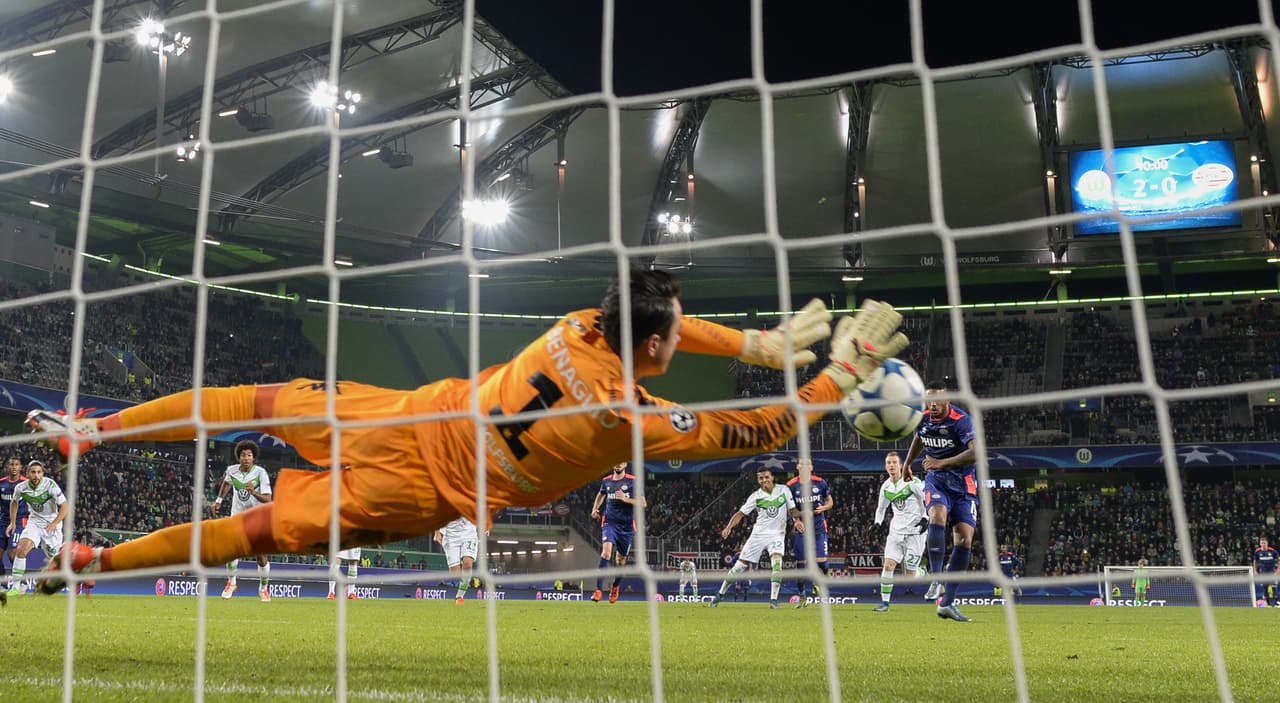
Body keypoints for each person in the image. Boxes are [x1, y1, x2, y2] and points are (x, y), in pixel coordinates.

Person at [27, 270, 908, 594]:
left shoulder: (576, 325)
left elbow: (645, 314)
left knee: (247, 401)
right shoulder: (626, 418)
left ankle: (91, 432)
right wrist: (840, 370)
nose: (688, 338)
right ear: (651, 346)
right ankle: (95, 563)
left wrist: (753, 339)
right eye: (679, 336)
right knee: (255, 533)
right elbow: (757, 428)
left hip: (408, 411)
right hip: (425, 490)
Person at [903, 379, 978, 622]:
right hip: (936, 480)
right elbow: (919, 438)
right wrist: (907, 463)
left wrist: (941, 462)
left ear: (948, 400)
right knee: (937, 515)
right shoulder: (923, 419)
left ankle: (947, 604)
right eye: (929, 400)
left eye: (937, 400)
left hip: (963, 483)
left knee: (965, 540)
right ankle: (936, 578)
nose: (932, 404)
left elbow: (976, 452)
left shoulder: (961, 420)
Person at [708, 466, 803, 609]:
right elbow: (740, 514)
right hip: (758, 535)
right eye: (761, 478)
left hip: (777, 534)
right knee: (739, 567)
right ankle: (719, 595)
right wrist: (728, 527)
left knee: (777, 565)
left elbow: (792, 510)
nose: (764, 480)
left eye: (766, 477)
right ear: (758, 480)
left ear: (772, 477)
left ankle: (773, 601)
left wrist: (798, 520)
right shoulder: (755, 496)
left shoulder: (784, 490)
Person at [210, 440, 274, 602]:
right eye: (243, 455)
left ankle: (264, 588)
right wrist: (218, 500)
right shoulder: (232, 470)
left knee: (261, 557)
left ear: (254, 458)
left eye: (249, 455)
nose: (246, 458)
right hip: (238, 515)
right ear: (239, 457)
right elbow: (226, 483)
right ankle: (231, 583)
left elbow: (268, 499)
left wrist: (254, 492)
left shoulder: (261, 473)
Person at [871, 450, 928, 612]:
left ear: (901, 465)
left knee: (909, 576)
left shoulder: (913, 482)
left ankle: (922, 572)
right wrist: (877, 524)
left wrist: (925, 519)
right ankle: (885, 603)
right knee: (888, 566)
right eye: (889, 463)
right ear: (885, 466)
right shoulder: (886, 487)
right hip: (895, 532)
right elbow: (881, 509)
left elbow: (927, 501)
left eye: (894, 462)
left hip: (915, 532)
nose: (891, 466)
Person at [5, 460, 68, 596]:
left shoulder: (50, 485)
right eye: (33, 472)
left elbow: (65, 506)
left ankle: (73, 578)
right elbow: (14, 502)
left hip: (52, 523)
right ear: (27, 473)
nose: (36, 475)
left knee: (55, 558)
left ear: (42, 474)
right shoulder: (21, 488)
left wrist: (55, 523)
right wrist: (12, 522)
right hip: (34, 522)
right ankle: (15, 587)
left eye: (39, 472)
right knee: (21, 549)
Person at [589, 462, 646, 603]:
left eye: (621, 461)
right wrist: (595, 508)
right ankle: (598, 590)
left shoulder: (633, 481)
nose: (618, 464)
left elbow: (643, 503)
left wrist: (626, 499)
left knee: (620, 561)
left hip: (626, 526)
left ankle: (615, 587)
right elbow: (601, 494)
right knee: (606, 553)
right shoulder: (606, 481)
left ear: (625, 464)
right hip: (610, 522)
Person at [786, 457, 831, 607]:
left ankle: (820, 584)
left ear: (811, 467)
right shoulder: (791, 486)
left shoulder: (820, 482)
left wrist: (823, 508)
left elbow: (830, 502)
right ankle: (802, 595)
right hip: (802, 529)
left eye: (807, 464)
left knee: (822, 562)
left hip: (818, 527)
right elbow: (789, 508)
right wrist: (796, 521)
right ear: (797, 467)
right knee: (802, 564)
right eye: (801, 464)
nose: (804, 466)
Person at [435, 516, 480, 604]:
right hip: (450, 536)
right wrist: (437, 532)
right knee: (455, 573)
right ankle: (466, 579)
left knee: (467, 564)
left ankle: (459, 596)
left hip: (468, 532)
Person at [1, 456, 28, 593]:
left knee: (13, 552)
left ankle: (22, 581)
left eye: (16, 464)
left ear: (21, 467)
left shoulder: (26, 483)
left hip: (19, 520)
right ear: (7, 467)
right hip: (3, 520)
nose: (13, 467)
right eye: (11, 464)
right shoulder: (1, 484)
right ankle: (2, 584)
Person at [1253, 537, 1277, 607]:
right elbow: (1255, 562)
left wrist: (1278, 570)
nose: (1263, 544)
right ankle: (1267, 604)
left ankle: (1275, 604)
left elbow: (1278, 560)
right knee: (1265, 590)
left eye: (1264, 543)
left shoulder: (1272, 551)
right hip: (1263, 574)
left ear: (1267, 543)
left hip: (1272, 573)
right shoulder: (1257, 552)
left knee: (1273, 589)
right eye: (1262, 543)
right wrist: (1255, 571)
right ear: (1260, 544)